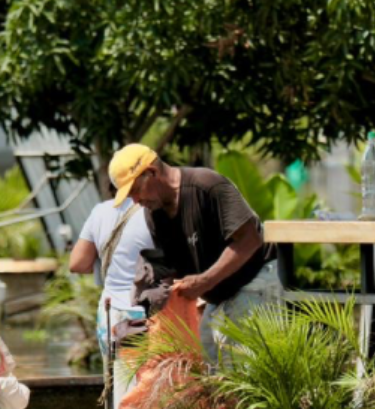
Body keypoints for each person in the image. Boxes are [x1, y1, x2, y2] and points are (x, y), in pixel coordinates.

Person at [109, 143, 282, 363]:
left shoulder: (206, 185)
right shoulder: (155, 215)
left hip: (254, 279)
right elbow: (177, 270)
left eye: (134, 190)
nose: (135, 201)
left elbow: (250, 239)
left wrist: (206, 281)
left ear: (151, 172)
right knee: (209, 362)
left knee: (243, 367)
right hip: (217, 292)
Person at [68, 192, 155, 409]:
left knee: (118, 388)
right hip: (147, 312)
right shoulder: (156, 209)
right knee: (151, 392)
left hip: (111, 314)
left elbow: (77, 263)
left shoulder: (100, 211)